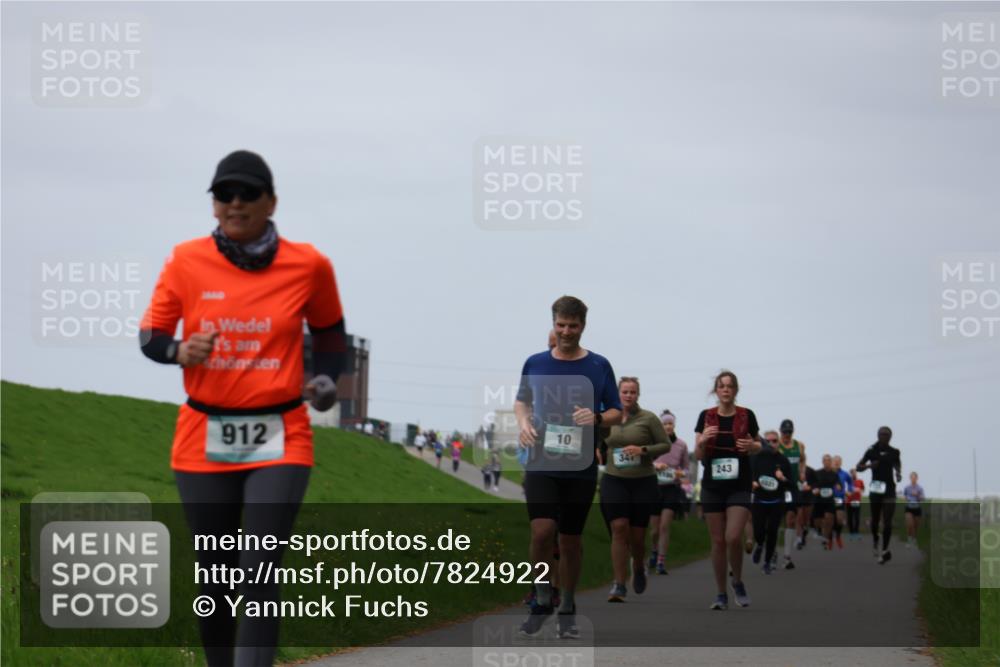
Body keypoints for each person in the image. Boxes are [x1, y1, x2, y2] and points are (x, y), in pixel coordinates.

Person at [139, 150, 345, 667]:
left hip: (281, 432)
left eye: (248, 193)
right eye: (224, 193)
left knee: (258, 567)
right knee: (216, 573)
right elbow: (151, 335)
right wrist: (178, 352)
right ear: (213, 206)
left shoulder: (308, 264)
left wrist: (325, 379)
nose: (235, 203)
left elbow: (331, 333)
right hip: (202, 433)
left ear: (271, 201)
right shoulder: (185, 260)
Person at [516, 296, 621, 638]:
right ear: (553, 323)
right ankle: (543, 597)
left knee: (571, 540)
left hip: (580, 464)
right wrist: (524, 423)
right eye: (560, 325)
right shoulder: (535, 363)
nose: (566, 332)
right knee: (542, 532)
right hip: (542, 461)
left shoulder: (599, 365)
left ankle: (568, 605)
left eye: (572, 326)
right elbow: (522, 401)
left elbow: (616, 411)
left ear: (583, 326)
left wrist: (598, 417)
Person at [694, 370, 762, 610]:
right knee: (718, 541)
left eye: (730, 386)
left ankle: (738, 581)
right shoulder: (706, 416)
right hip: (712, 485)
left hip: (739, 484)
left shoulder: (747, 415)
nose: (725, 390)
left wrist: (753, 445)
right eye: (721, 386)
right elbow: (699, 454)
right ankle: (721, 593)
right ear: (716, 390)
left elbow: (758, 445)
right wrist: (702, 441)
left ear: (735, 390)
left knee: (733, 536)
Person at [600, 377, 671, 602]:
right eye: (625, 392)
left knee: (638, 537)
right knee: (619, 528)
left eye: (632, 392)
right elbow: (596, 436)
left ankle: (638, 566)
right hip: (614, 479)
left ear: (638, 395)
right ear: (618, 393)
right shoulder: (609, 417)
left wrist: (642, 449)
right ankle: (619, 584)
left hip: (642, 481)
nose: (628, 395)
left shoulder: (648, 418)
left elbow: (665, 445)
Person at [648, 410, 689, 575]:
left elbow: (686, 468)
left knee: (665, 525)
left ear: (674, 425)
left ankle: (661, 561)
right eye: (664, 424)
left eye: (670, 423)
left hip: (672, 488)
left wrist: (681, 473)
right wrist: (655, 466)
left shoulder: (681, 445)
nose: (667, 427)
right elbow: (643, 463)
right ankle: (654, 550)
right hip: (654, 487)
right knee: (655, 530)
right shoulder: (652, 443)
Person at [856, 426, 902, 564]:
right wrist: (869, 466)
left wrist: (898, 473)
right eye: (882, 434)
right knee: (875, 519)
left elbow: (897, 465)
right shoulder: (871, 450)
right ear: (878, 435)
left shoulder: (894, 452)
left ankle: (885, 550)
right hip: (876, 487)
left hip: (889, 488)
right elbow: (858, 467)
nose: (884, 436)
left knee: (887, 521)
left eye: (887, 435)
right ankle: (876, 538)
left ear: (890, 437)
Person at [751, 430, 792, 574]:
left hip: (777, 500)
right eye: (768, 441)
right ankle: (760, 544)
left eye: (774, 441)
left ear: (778, 442)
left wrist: (783, 479)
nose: (771, 444)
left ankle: (767, 562)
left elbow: (791, 483)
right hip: (759, 500)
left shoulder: (783, 460)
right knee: (759, 531)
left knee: (772, 532)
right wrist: (753, 483)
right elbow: (749, 477)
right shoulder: (756, 458)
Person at [776, 419, 807, 564]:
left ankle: (787, 555)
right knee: (775, 520)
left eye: (789, 432)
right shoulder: (777, 446)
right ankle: (773, 551)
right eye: (784, 432)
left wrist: (802, 472)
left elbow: (802, 460)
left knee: (790, 518)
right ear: (780, 431)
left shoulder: (799, 445)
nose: (787, 435)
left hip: (792, 486)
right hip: (778, 486)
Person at [811, 455, 841, 550]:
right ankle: (818, 530)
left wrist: (838, 486)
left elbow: (838, 483)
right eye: (825, 460)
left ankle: (826, 539)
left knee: (829, 518)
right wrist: (814, 489)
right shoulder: (817, 473)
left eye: (829, 461)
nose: (827, 462)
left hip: (829, 499)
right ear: (822, 462)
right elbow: (812, 484)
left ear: (830, 462)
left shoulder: (834, 474)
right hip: (819, 499)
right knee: (818, 521)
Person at [832, 455, 853, 549]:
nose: (836, 463)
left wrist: (850, 490)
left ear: (841, 463)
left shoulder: (844, 474)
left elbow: (850, 482)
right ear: (832, 462)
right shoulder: (827, 473)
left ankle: (838, 536)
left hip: (840, 498)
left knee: (840, 520)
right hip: (828, 499)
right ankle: (829, 539)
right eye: (835, 461)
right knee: (829, 519)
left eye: (838, 461)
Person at [903, 471, 926, 547]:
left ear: (917, 478)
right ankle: (909, 540)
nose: (913, 479)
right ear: (910, 478)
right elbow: (904, 496)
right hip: (909, 508)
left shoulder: (920, 488)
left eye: (914, 477)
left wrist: (917, 495)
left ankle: (914, 539)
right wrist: (906, 498)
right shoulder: (907, 487)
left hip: (917, 508)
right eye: (912, 477)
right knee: (910, 524)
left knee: (915, 526)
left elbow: (923, 498)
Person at [846, 468, 865, 540]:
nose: (853, 474)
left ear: (856, 473)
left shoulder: (860, 481)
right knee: (850, 518)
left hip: (857, 501)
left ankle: (856, 533)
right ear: (850, 474)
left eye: (854, 473)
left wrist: (860, 490)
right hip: (849, 502)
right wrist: (848, 492)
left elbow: (863, 489)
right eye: (852, 473)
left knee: (857, 518)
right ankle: (851, 533)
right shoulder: (848, 482)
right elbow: (845, 490)